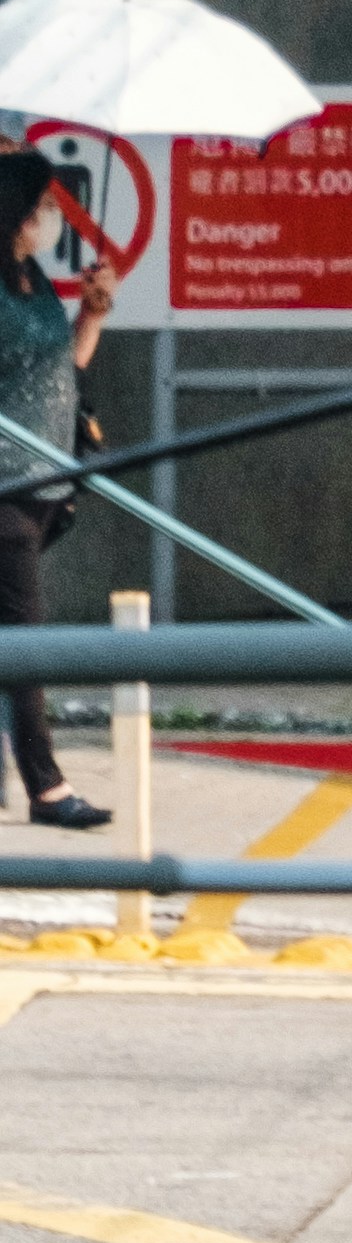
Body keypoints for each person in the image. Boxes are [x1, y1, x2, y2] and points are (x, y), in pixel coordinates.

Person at [0, 150, 108, 834]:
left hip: (44, 485)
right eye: (39, 205)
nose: (47, 216)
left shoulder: (31, 277)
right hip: (3, 491)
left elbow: (57, 373)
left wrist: (92, 315)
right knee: (25, 638)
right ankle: (45, 786)